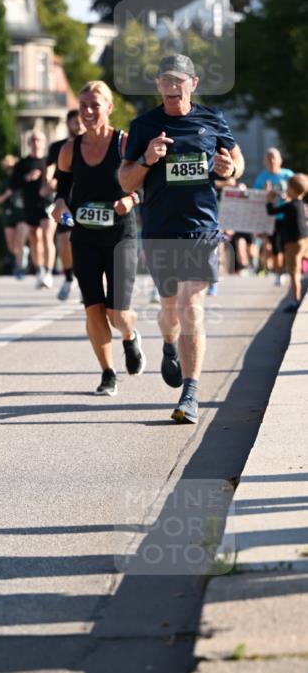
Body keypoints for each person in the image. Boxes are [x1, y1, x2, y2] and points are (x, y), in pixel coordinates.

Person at [119, 54, 244, 424]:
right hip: (159, 230)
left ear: (194, 83)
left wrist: (230, 169)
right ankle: (169, 344)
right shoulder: (144, 126)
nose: (173, 86)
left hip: (202, 228)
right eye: (166, 80)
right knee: (170, 310)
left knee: (191, 306)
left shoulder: (212, 119)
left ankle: (190, 393)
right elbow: (125, 181)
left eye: (179, 80)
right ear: (158, 84)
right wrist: (146, 159)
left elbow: (236, 162)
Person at [52, 81, 144, 395]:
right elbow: (61, 190)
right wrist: (60, 204)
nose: (88, 111)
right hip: (85, 236)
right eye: (83, 106)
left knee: (117, 313)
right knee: (93, 306)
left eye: (95, 105)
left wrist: (131, 199)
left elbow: (145, 184)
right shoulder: (69, 149)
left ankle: (130, 336)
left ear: (109, 107)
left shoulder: (124, 144)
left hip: (120, 236)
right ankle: (108, 372)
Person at [0, 131, 54, 288]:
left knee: (47, 236)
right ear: (29, 143)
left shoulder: (49, 161)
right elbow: (13, 185)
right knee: (34, 239)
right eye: (33, 140)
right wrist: (27, 178)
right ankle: (40, 270)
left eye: (39, 140)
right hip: (30, 204)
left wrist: (49, 183)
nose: (36, 143)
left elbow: (59, 180)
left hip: (47, 203)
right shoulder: (23, 164)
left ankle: (49, 272)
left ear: (44, 142)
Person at [44, 108, 83, 300]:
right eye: (75, 121)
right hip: (65, 200)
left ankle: (89, 284)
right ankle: (68, 278)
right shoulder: (58, 147)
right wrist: (48, 181)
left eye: (81, 121)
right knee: (65, 240)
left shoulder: (92, 146)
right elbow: (49, 168)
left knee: (88, 243)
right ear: (68, 124)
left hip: (87, 199)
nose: (79, 124)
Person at [266, 173, 308, 313]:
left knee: (294, 273)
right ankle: (296, 299)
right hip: (304, 239)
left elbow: (271, 211)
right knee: (299, 269)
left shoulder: (290, 206)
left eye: (288, 187)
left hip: (293, 243)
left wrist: (269, 199)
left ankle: (295, 301)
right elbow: (290, 205)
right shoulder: (300, 204)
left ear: (292, 190)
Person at [254, 148, 295, 286]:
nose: (271, 160)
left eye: (274, 157)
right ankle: (279, 273)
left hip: (288, 216)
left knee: (288, 246)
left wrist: (287, 196)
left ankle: (291, 271)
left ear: (280, 159)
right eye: (268, 158)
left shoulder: (288, 174)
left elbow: (298, 192)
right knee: (276, 247)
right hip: (271, 217)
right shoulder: (262, 177)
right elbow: (255, 196)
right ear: (265, 161)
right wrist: (266, 193)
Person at [0, 154, 26, 279]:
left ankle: (19, 267)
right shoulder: (4, 182)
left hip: (22, 214)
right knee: (11, 245)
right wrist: (7, 194)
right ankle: (19, 257)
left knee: (19, 241)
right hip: (9, 214)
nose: (11, 170)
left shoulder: (22, 180)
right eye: (8, 168)